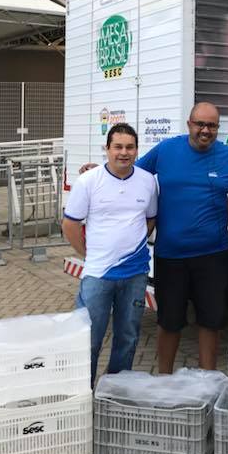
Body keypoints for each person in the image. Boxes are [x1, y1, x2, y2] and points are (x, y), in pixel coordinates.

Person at [136, 102, 228, 372]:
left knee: (211, 321)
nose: (205, 130)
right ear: (189, 124)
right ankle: (165, 379)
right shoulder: (166, 150)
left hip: (214, 256)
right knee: (169, 321)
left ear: (218, 128)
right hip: (171, 256)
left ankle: (207, 379)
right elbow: (131, 175)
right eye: (200, 124)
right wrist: (99, 171)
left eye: (212, 125)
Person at [62, 123, 158, 383]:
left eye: (129, 147)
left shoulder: (147, 181)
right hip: (98, 274)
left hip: (136, 274)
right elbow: (70, 224)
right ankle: (85, 394)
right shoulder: (89, 181)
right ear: (107, 149)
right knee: (89, 340)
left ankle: (115, 393)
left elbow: (150, 219)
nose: (123, 153)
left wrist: (133, 242)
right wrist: (86, 254)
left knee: (127, 339)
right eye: (118, 147)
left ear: (137, 150)